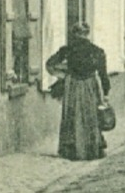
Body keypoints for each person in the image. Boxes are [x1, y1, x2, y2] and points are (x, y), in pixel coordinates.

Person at [45, 21, 111, 161]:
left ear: (74, 34)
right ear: (88, 34)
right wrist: (105, 94)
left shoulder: (67, 50)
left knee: (72, 115)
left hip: (73, 85)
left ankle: (72, 150)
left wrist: (63, 74)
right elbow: (103, 75)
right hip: (90, 86)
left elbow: (50, 65)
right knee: (91, 115)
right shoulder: (97, 51)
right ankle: (92, 149)